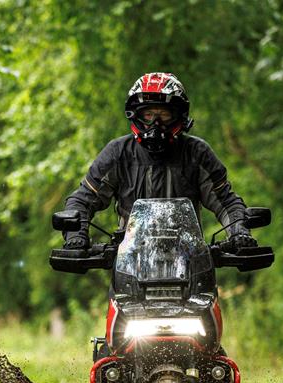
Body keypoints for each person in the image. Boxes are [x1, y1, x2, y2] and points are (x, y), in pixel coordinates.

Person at [62, 72, 256, 252]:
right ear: (135, 116)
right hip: (129, 262)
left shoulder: (197, 152)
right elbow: (83, 199)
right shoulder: (117, 152)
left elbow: (226, 201)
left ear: (178, 116)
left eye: (164, 114)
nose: (156, 123)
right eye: (148, 115)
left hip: (191, 260)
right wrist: (76, 235)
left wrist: (239, 232)